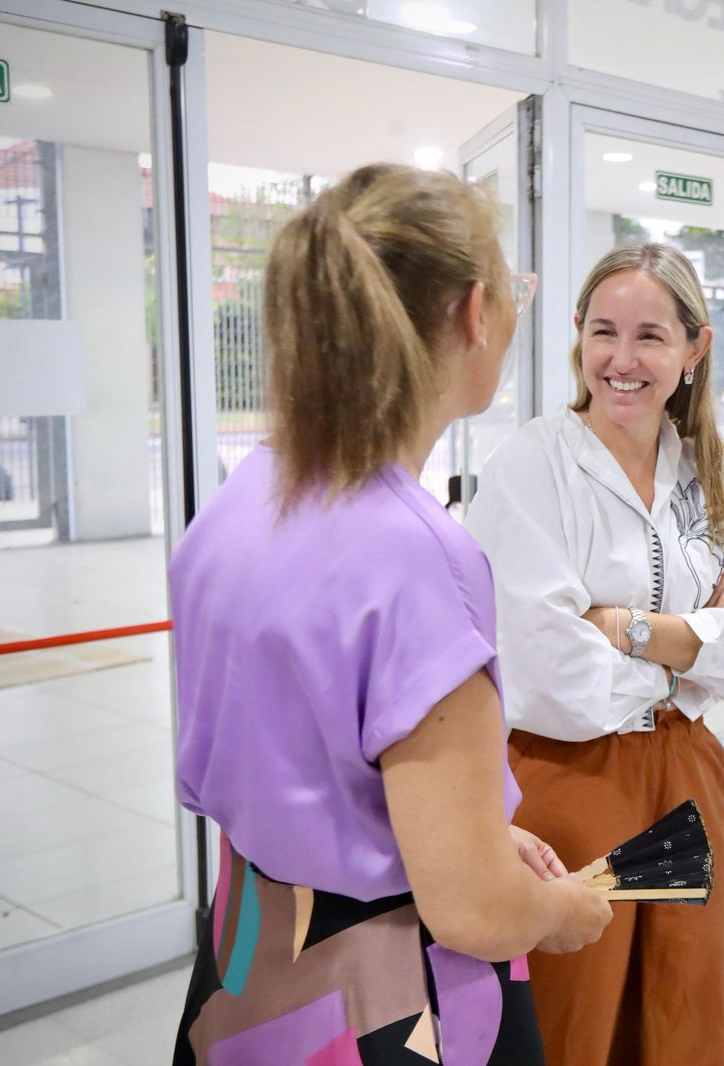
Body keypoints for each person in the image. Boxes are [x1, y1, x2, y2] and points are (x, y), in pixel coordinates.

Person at [168, 164, 611, 1064]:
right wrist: (564, 909)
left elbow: (317, 765)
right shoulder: (420, 558)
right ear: (475, 312)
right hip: (380, 1006)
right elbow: (475, 910)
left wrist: (468, 829)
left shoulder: (244, 497)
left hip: (245, 963)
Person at [465, 242, 724, 1066]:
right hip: (569, 779)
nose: (622, 359)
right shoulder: (532, 465)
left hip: (687, 775)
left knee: (684, 1011)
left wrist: (627, 627)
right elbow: (545, 666)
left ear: (695, 348)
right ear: (577, 335)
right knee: (572, 1017)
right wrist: (697, 646)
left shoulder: (713, 474)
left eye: (650, 336)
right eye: (603, 332)